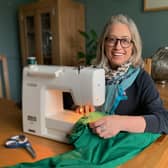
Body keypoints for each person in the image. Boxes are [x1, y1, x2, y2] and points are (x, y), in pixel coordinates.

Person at [76, 14, 168, 139]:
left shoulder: (141, 79)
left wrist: (120, 122)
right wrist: (79, 106)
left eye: (125, 40)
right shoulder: (89, 74)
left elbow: (163, 120)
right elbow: (69, 103)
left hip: (123, 149)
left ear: (133, 46)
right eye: (112, 39)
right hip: (89, 144)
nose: (118, 46)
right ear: (104, 44)